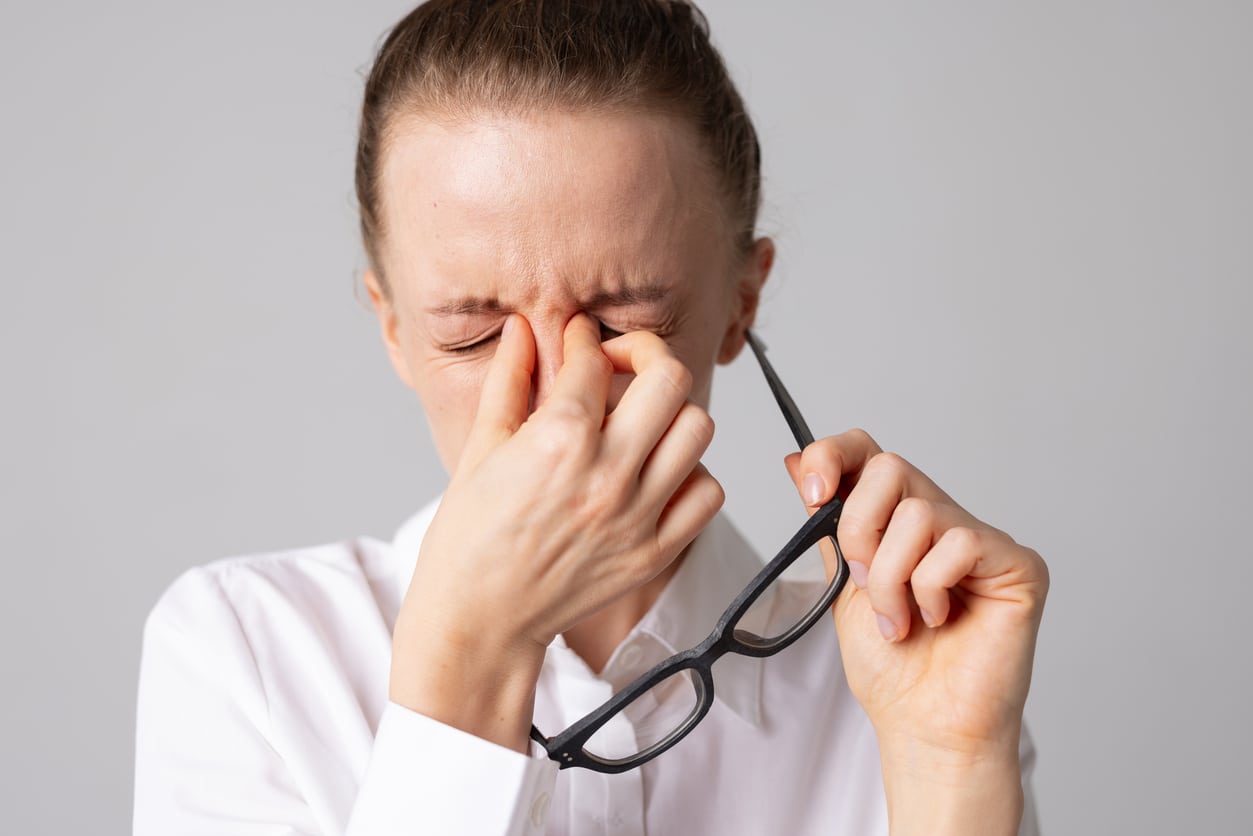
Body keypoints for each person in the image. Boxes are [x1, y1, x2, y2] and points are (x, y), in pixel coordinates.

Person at [134, 1, 1049, 833]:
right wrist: (471, 653)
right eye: (472, 335)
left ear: (741, 300)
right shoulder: (245, 654)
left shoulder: (897, 678)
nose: (553, 396)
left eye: (622, 324)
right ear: (393, 329)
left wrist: (949, 770)